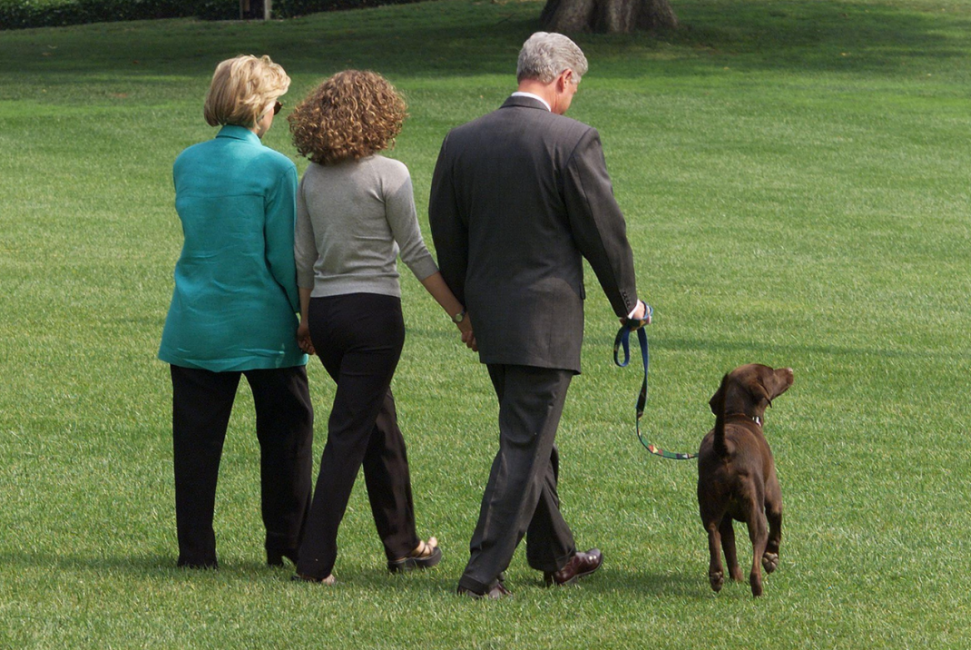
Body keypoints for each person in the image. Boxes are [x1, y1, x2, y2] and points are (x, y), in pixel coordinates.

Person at [429, 32, 650, 598]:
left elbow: (446, 234)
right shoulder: (573, 141)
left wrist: (465, 309)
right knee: (526, 445)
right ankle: (481, 575)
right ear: (563, 80)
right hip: (544, 322)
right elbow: (604, 232)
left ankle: (557, 555)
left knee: (531, 436)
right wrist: (628, 303)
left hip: (489, 318)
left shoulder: (461, 140)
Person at [289, 70, 473, 585]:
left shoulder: (311, 178)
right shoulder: (390, 174)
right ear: (380, 115)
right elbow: (414, 253)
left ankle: (404, 545)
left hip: (325, 316)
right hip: (373, 319)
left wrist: (306, 319)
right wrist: (461, 316)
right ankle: (314, 560)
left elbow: (304, 257)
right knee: (349, 432)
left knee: (377, 424)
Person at [158, 54, 313, 569]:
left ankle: (196, 552)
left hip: (196, 323)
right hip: (263, 326)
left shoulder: (186, 161)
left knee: (195, 447)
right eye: (277, 104)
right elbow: (282, 257)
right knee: (287, 436)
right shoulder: (275, 168)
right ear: (261, 108)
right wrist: (304, 315)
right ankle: (287, 546)